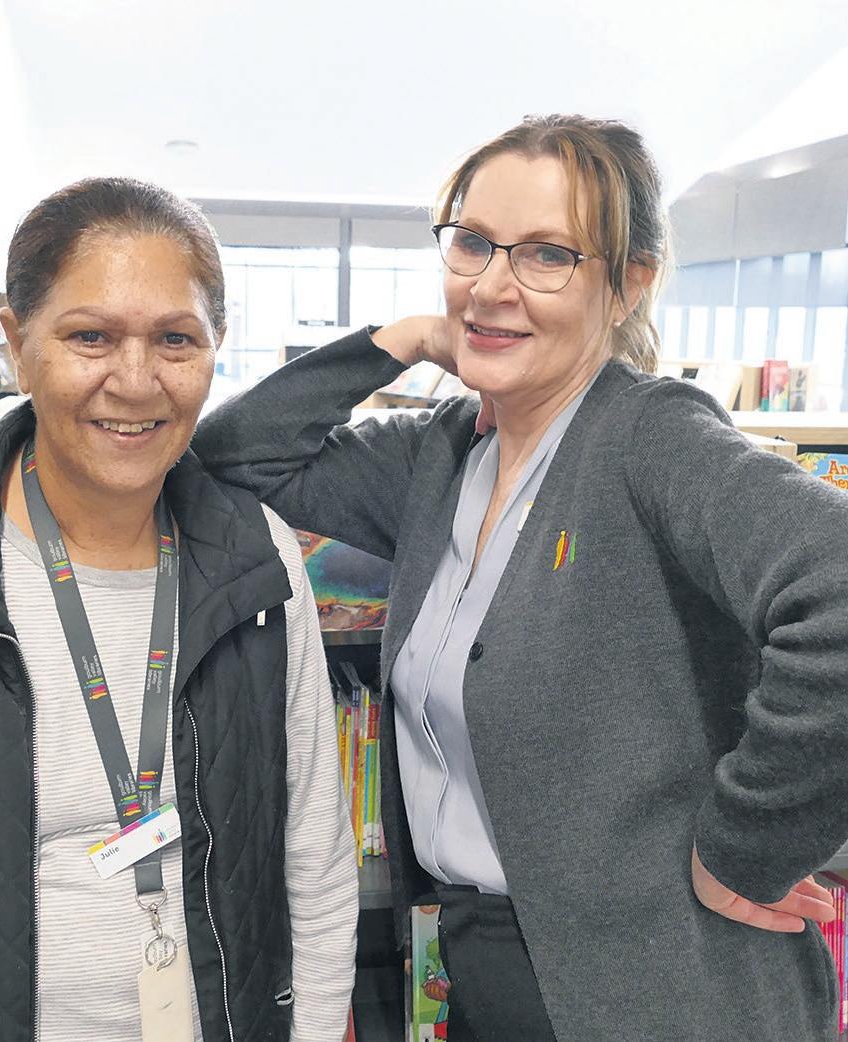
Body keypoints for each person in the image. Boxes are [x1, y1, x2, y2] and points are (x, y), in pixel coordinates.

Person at [192, 114, 848, 1042]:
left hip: (661, 988)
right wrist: (399, 340)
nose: (492, 285)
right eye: (472, 243)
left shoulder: (648, 439)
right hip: (492, 963)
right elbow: (230, 454)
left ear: (628, 284)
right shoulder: (438, 457)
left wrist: (742, 848)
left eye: (546, 255)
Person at [0, 177, 357, 1042]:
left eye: (175, 339)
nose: (135, 381)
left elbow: (313, 862)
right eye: (89, 336)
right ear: (17, 345)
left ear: (216, 347)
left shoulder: (259, 558)